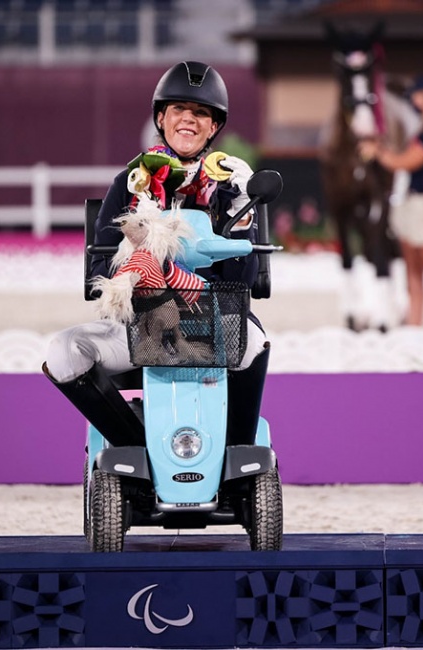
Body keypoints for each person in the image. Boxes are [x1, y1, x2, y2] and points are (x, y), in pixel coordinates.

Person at [43, 61, 269, 448]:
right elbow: (101, 269)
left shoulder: (233, 189)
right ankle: (132, 442)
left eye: (201, 113)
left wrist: (242, 210)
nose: (189, 119)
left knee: (254, 341)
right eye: (179, 109)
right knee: (63, 353)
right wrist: (140, 269)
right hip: (139, 326)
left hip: (211, 324)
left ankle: (239, 449)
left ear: (214, 127)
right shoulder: (130, 184)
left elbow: (244, 280)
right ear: (161, 118)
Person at [359, 73, 423, 328]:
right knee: (413, 273)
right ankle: (415, 326)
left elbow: (405, 162)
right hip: (412, 203)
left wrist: (378, 151)